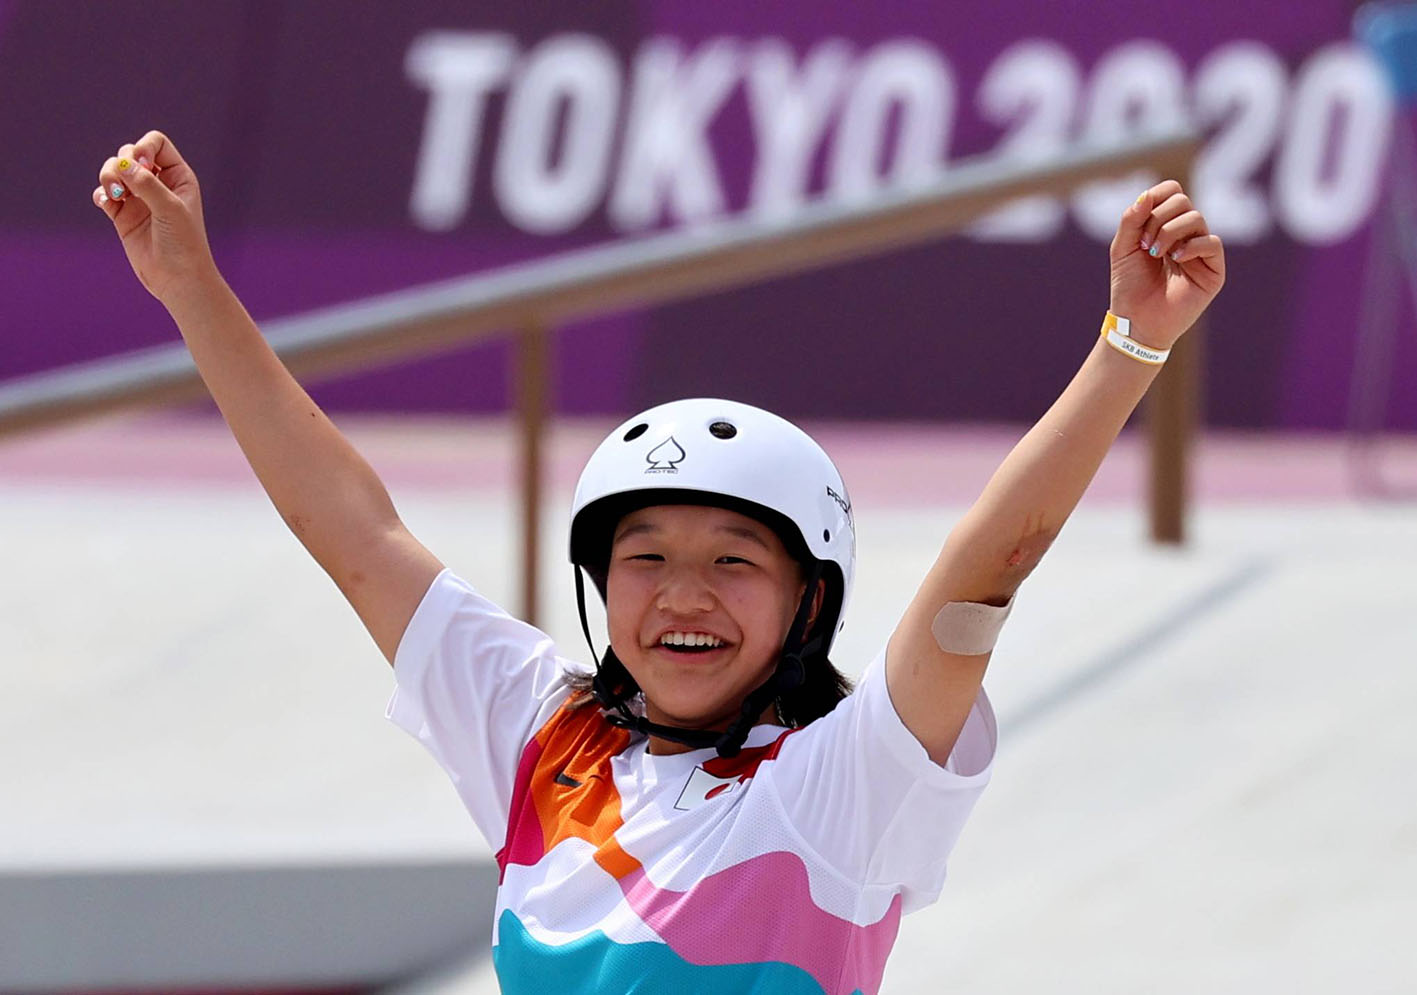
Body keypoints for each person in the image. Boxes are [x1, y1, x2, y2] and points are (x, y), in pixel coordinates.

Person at [93, 131, 1224, 993]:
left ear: (808, 601)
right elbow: (353, 531)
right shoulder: (542, 736)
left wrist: (1131, 344)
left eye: (735, 560)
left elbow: (985, 572)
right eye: (645, 556)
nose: (683, 594)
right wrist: (190, 283)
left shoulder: (841, 786)